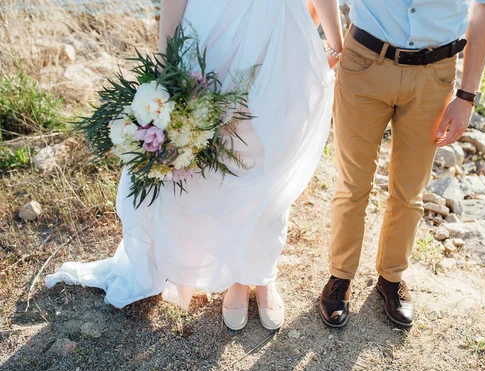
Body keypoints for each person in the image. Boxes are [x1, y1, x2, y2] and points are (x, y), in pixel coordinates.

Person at [46, 0, 343, 331]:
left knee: (268, 155)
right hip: (213, 36)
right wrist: (166, 61)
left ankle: (260, 273)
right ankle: (234, 276)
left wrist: (329, 42)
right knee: (217, 160)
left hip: (277, 37)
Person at [319, 0, 485, 328]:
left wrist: (467, 96)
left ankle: (391, 278)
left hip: (435, 75)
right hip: (363, 62)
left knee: (410, 189)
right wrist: (334, 44)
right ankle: (340, 276)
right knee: (353, 182)